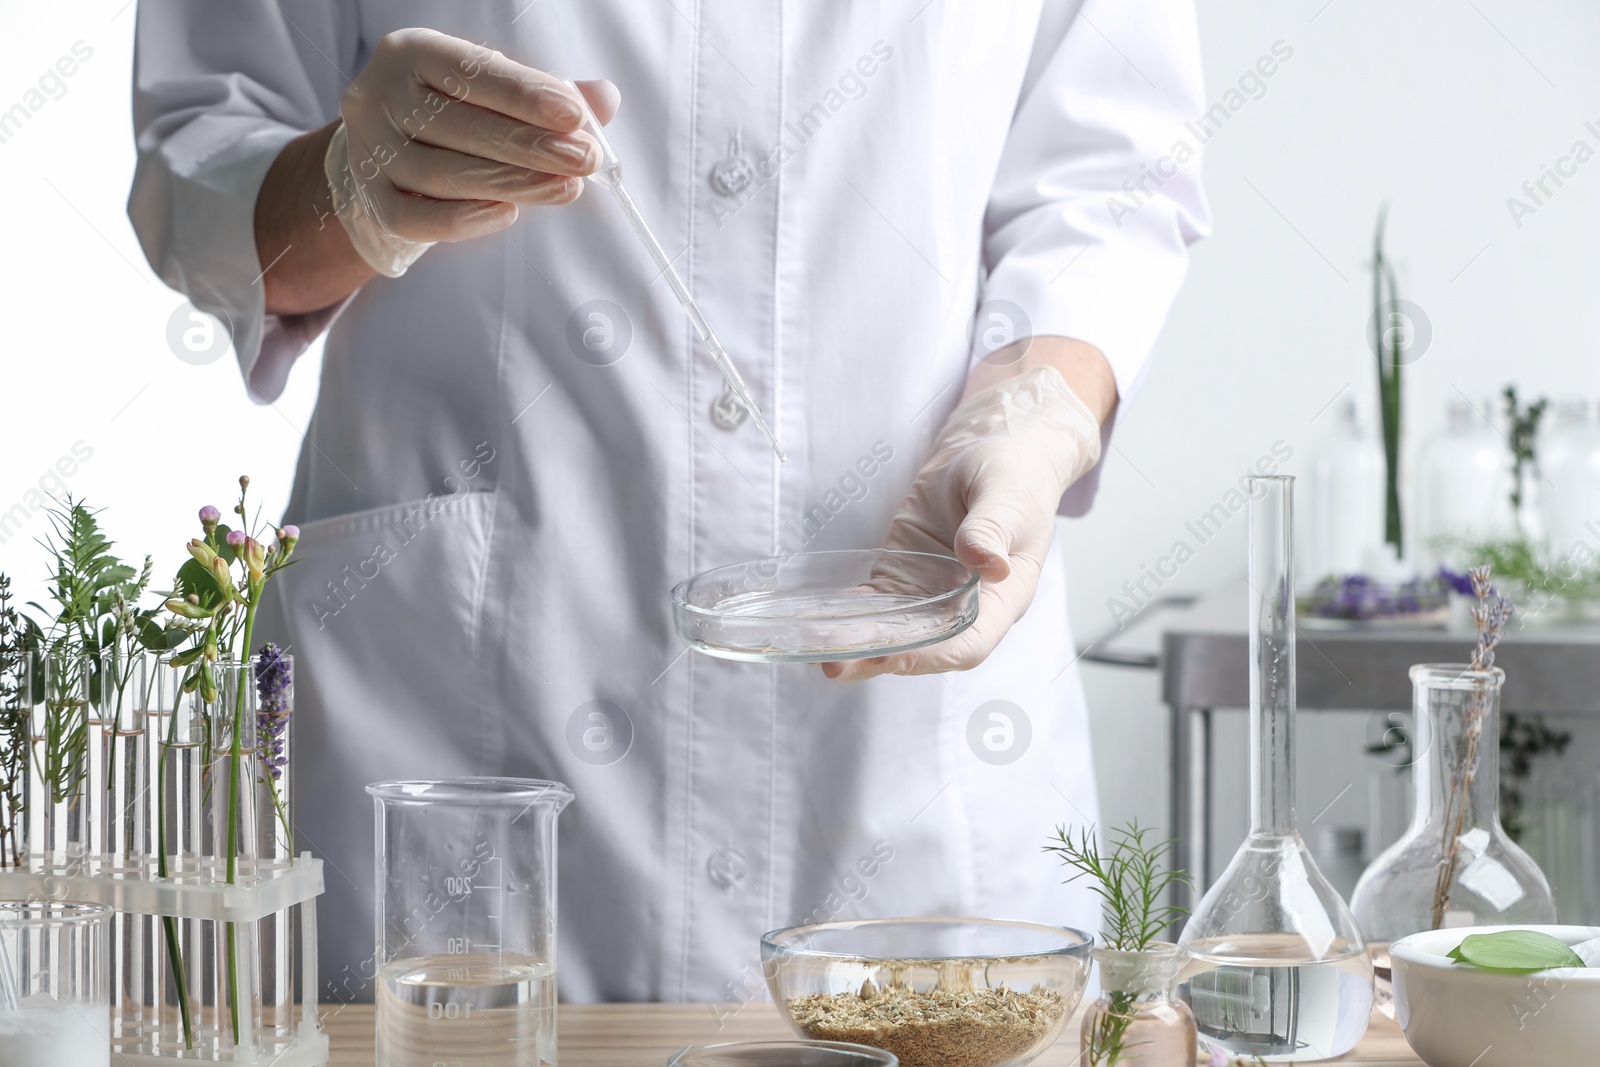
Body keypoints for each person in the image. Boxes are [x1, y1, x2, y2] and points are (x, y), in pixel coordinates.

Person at [130, 1, 1208, 1003]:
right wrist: (348, 188)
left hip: (909, 713)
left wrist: (1031, 410)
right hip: (464, 705)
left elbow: (1112, 172)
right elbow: (195, 161)